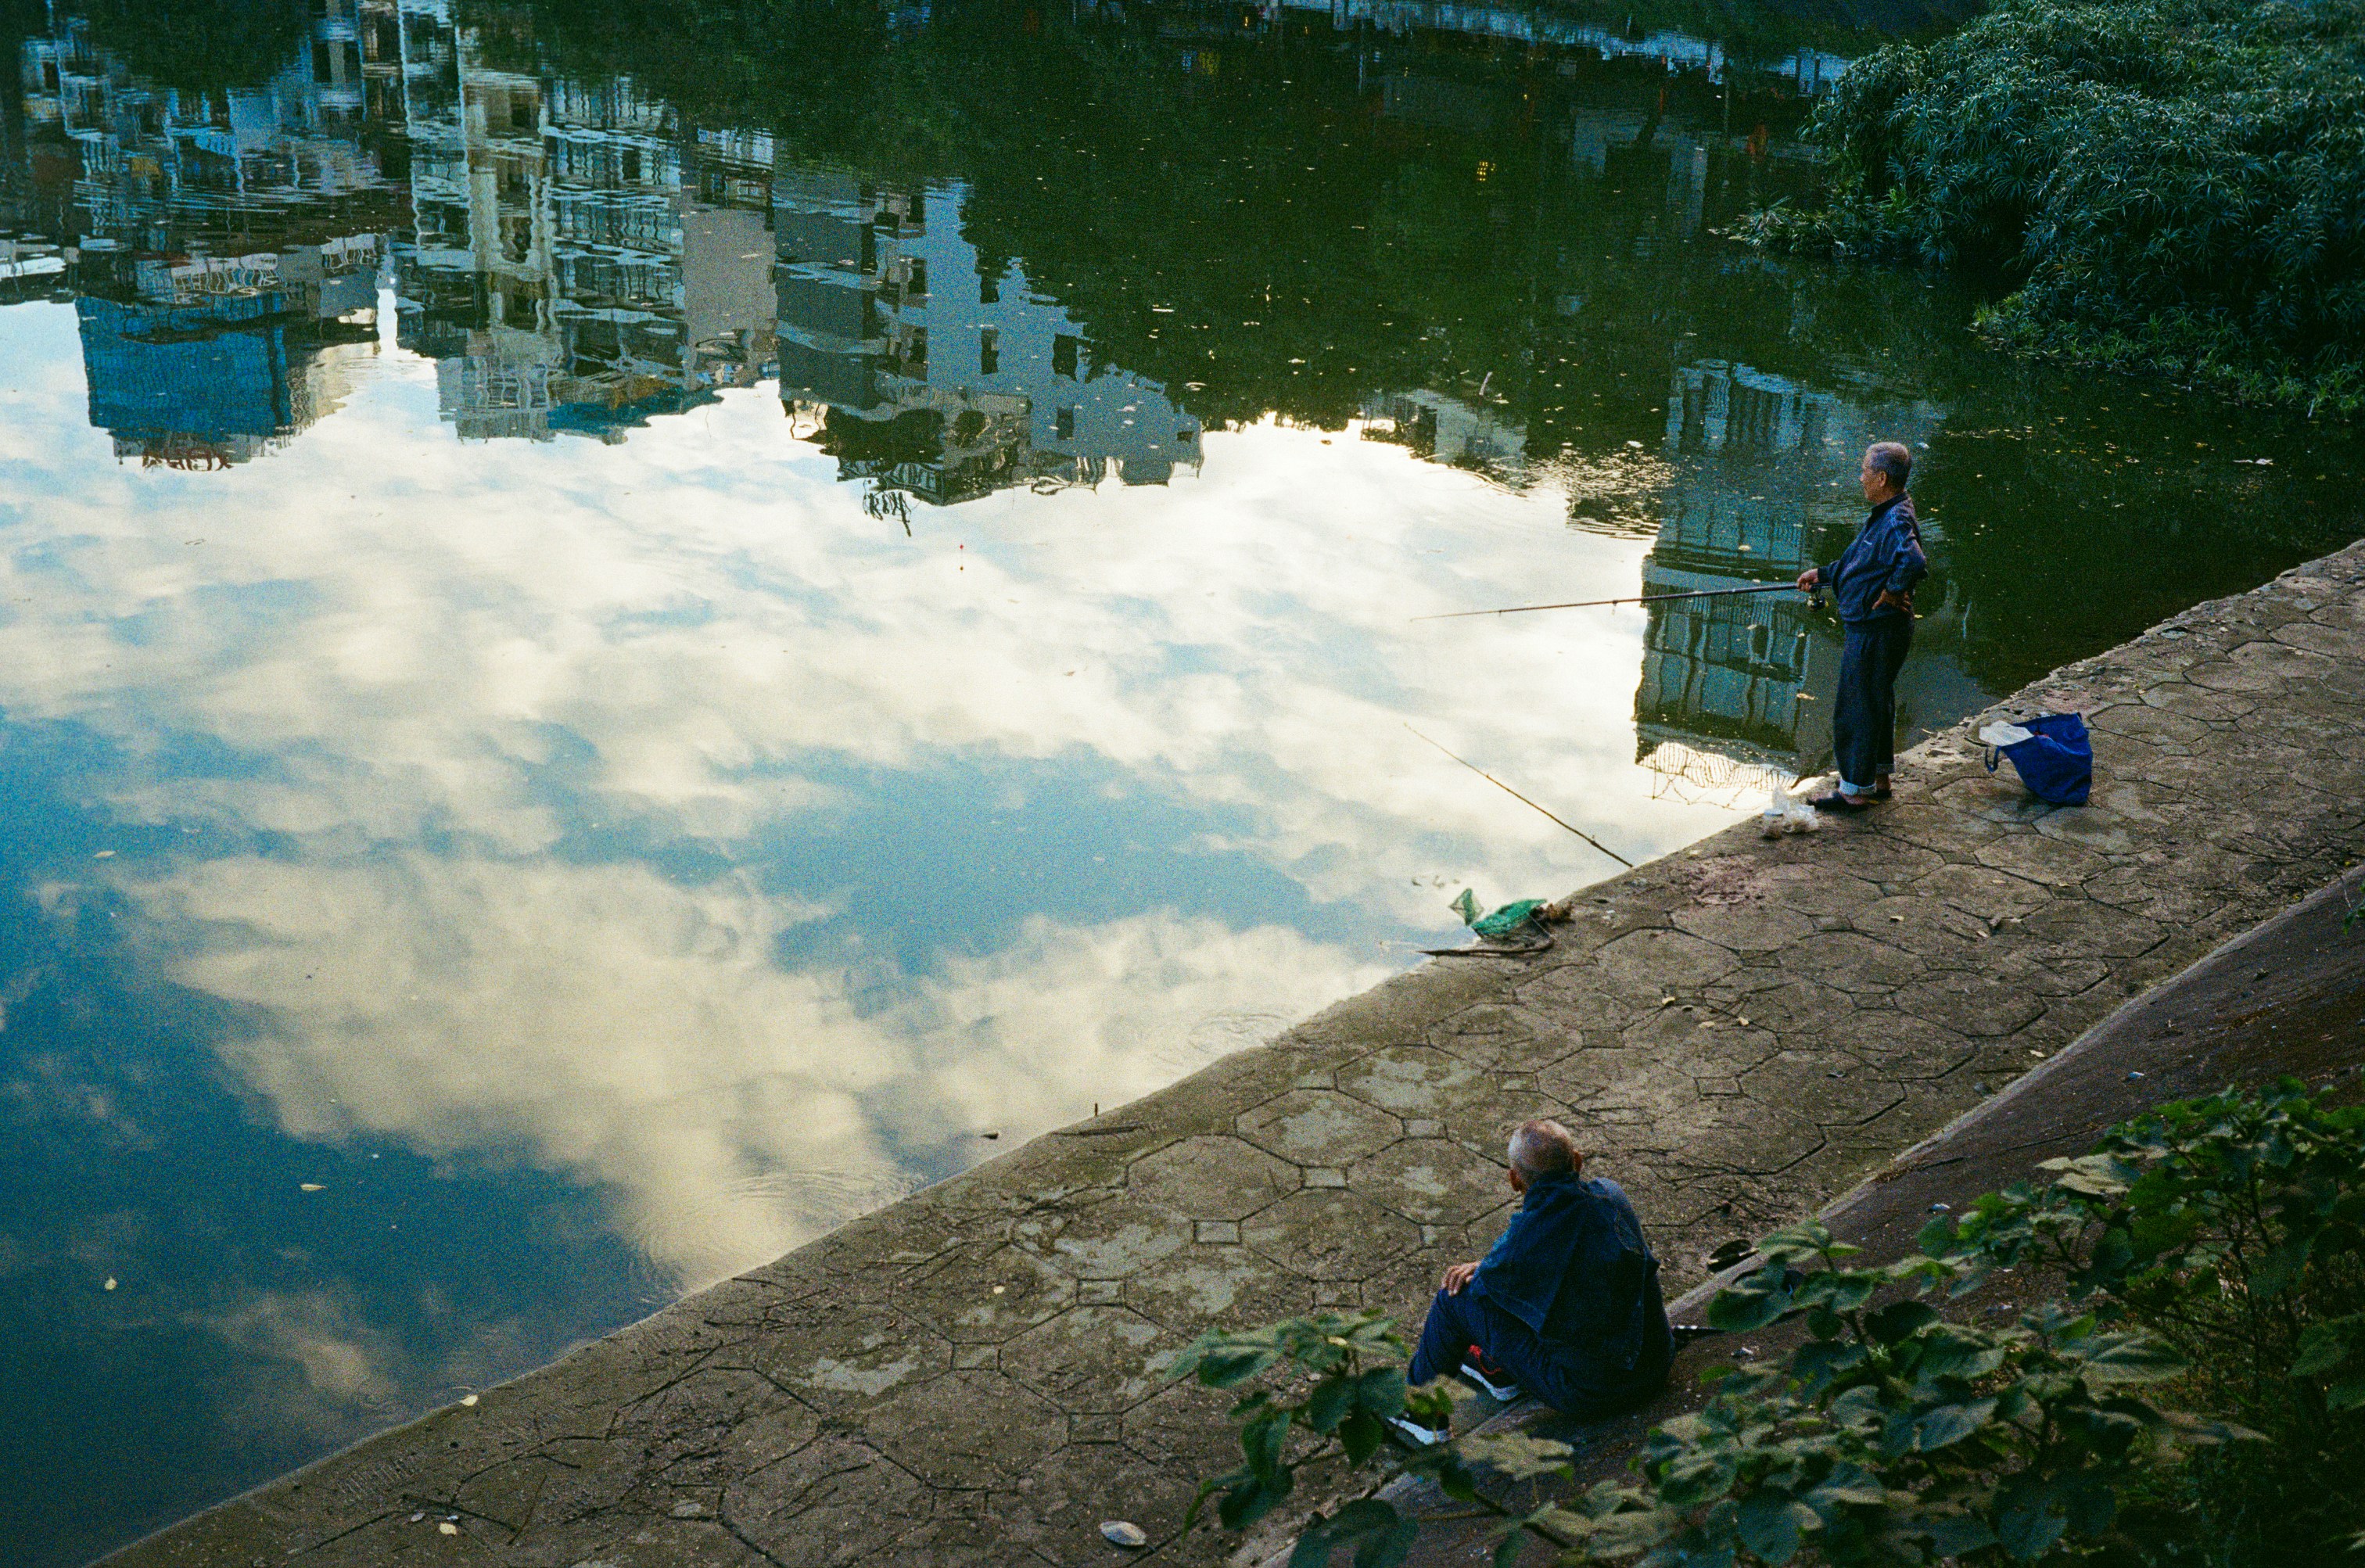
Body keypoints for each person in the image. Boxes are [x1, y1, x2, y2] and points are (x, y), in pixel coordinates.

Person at [1389, 1119, 1673, 1444]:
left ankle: (1419, 1411)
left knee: (1455, 1299)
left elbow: (1485, 1294)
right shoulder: (1611, 1196)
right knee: (1533, 1288)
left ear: (1514, 1179)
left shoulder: (1524, 1241)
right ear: (1577, 1161)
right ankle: (1501, 1370)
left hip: (1593, 1394)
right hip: (1656, 1364)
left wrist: (1488, 1268)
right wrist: (1492, 1267)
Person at [1794, 441, 1929, 811]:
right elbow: (1859, 562)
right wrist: (1821, 575)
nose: (1861, 477)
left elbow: (1914, 560)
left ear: (1882, 478)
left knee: (1856, 705)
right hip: (1876, 630)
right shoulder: (1885, 513)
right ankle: (1879, 778)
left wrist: (1892, 591)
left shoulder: (1896, 518)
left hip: (1877, 630)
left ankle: (1853, 790)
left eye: (1865, 471)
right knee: (1875, 701)